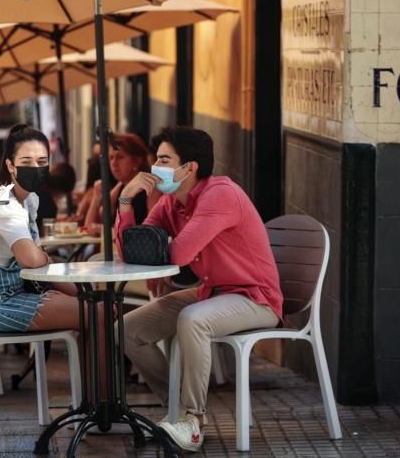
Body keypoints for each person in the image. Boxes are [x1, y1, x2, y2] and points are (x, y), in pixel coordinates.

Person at [115, 126, 282, 452]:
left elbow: (179, 255)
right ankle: (175, 410)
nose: (154, 168)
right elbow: (132, 253)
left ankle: (193, 420)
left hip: (255, 297)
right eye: (155, 160)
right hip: (213, 293)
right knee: (127, 329)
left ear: (189, 167)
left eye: (164, 159)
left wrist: (157, 252)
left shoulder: (220, 194)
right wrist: (124, 200)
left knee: (193, 319)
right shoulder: (170, 203)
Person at [0, 124, 85, 333]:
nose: (35, 168)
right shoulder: (4, 204)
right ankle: (95, 366)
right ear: (10, 165)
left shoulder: (29, 200)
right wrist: (44, 257)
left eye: (42, 162)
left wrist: (76, 290)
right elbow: (31, 259)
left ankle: (85, 366)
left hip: (15, 294)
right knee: (95, 313)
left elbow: (37, 262)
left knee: (96, 307)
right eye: (26, 162)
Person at [85, 133, 161, 237]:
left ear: (137, 161)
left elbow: (154, 229)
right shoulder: (121, 186)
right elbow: (91, 225)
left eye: (120, 157)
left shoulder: (151, 186)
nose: (114, 163)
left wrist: (108, 230)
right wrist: (96, 197)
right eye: (111, 158)